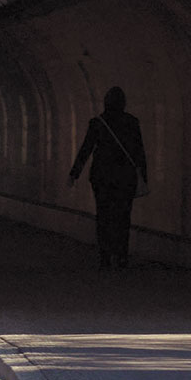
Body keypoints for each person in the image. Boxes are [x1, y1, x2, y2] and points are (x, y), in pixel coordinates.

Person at [70, 85, 149, 268]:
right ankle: (121, 255)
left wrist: (75, 173)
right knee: (123, 216)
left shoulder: (98, 123)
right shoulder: (132, 122)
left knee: (103, 215)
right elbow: (139, 152)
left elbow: (86, 149)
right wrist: (143, 176)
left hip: (102, 178)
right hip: (125, 178)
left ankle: (105, 255)